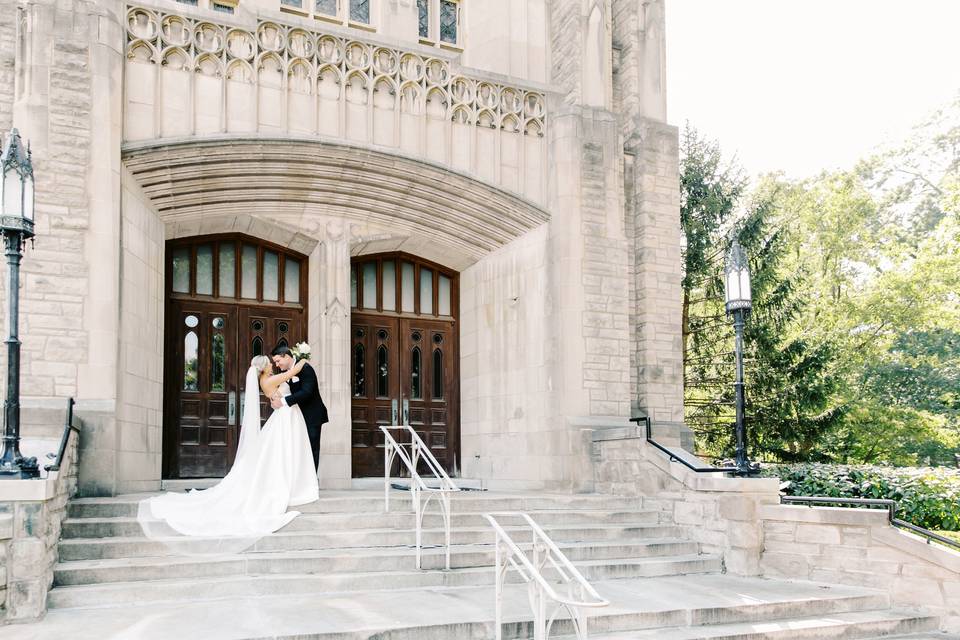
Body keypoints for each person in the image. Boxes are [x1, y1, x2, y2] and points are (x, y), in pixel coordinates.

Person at [137, 354, 319, 542]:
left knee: (277, 454)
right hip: (283, 418)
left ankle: (290, 481)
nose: (274, 365)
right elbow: (295, 370)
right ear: (264, 368)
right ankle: (287, 483)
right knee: (280, 453)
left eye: (275, 362)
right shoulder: (271, 379)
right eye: (271, 363)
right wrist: (304, 359)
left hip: (284, 417)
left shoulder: (265, 380)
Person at [270, 345, 328, 471]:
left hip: (312, 416)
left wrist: (283, 401)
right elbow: (283, 389)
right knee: (299, 451)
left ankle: (312, 485)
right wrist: (275, 398)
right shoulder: (286, 372)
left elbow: (306, 392)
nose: (277, 365)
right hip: (297, 417)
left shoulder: (306, 369)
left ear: (286, 356)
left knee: (312, 450)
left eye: (278, 361)